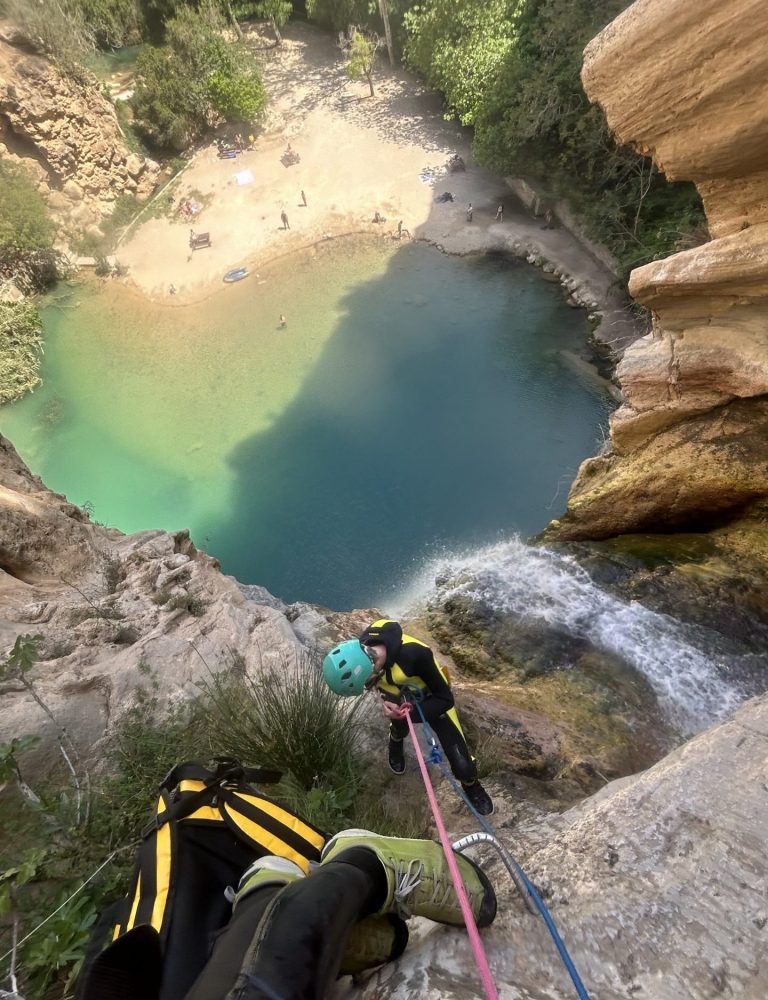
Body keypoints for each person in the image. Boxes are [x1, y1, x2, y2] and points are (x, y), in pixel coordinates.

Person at [324, 620, 494, 816]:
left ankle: (471, 784)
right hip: (395, 691)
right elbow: (375, 684)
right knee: (398, 725)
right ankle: (396, 739)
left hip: (431, 695)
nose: (368, 687)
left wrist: (410, 714)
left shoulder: (414, 655)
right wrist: (388, 704)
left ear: (372, 667)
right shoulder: (362, 651)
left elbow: (445, 698)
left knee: (463, 766)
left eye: (367, 683)